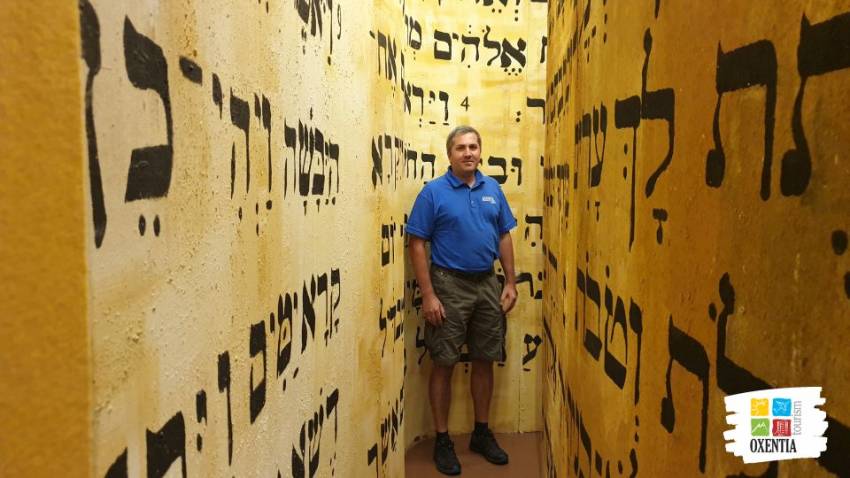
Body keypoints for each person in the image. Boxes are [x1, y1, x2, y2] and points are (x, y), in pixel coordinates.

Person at [406, 125, 518, 475]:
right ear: (449, 154)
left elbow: (504, 235)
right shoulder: (433, 193)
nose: (468, 153)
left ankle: (481, 434)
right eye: (460, 148)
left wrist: (510, 281)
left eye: (473, 146)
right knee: (444, 362)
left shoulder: (493, 189)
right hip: (448, 285)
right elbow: (416, 243)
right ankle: (442, 440)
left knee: (485, 359)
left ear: (480, 151)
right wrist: (428, 295)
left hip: (486, 283)